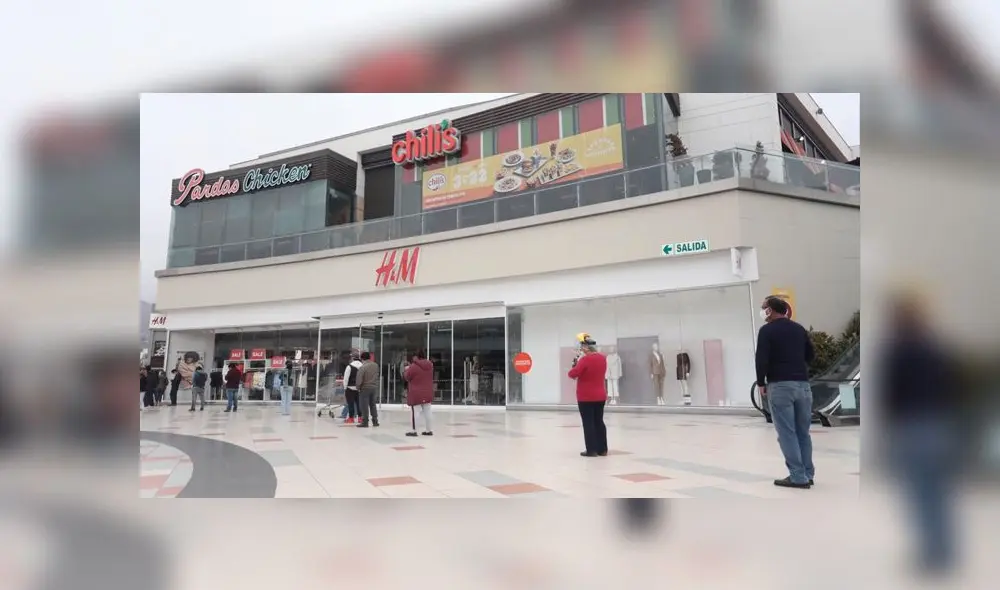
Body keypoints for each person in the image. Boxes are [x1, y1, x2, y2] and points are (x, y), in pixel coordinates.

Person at [879, 292, 959, 573]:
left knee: (920, 495)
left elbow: (892, 394)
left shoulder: (899, 349)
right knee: (939, 494)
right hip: (940, 425)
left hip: (912, 428)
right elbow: (952, 386)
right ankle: (945, 551)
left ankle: (930, 555)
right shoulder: (935, 347)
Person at [755, 296, 815, 489]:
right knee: (803, 433)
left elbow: (761, 358)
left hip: (780, 386)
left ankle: (798, 476)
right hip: (803, 385)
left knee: (787, 433)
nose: (763, 311)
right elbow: (811, 355)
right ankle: (807, 473)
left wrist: (761, 382)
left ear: (771, 310)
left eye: (764, 308)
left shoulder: (766, 331)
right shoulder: (799, 329)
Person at [568, 332, 608, 457]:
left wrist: (576, 362)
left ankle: (591, 450)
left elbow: (572, 374)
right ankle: (602, 449)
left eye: (582, 347)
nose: (581, 349)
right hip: (600, 395)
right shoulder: (602, 358)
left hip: (586, 397)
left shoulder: (585, 360)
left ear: (586, 347)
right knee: (599, 421)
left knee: (588, 423)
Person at [403, 349, 434, 436]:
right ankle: (429, 430)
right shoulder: (430, 365)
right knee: (428, 411)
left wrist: (406, 369)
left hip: (416, 393)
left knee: (415, 412)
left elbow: (407, 377)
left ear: (416, 357)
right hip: (427, 391)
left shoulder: (413, 366)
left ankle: (414, 430)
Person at [355, 352, 380, 428]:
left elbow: (359, 379)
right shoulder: (376, 365)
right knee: (373, 404)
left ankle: (365, 422)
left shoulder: (363, 367)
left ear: (362, 359)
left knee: (364, 405)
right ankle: (375, 421)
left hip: (365, 388)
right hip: (374, 387)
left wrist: (358, 387)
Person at [341, 354, 363, 423]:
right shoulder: (363, 367)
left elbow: (346, 378)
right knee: (359, 404)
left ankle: (351, 418)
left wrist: (345, 387)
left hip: (350, 388)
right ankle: (360, 418)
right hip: (359, 388)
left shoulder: (349, 366)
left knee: (350, 404)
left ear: (353, 359)